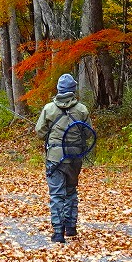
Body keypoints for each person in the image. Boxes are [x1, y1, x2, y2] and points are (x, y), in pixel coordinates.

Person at [35, 73, 89, 244]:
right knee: (71, 191)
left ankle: (58, 233)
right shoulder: (81, 109)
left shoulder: (49, 109)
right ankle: (71, 227)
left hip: (55, 159)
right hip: (75, 157)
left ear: (59, 89)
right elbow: (88, 133)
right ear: (73, 90)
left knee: (57, 194)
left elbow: (40, 132)